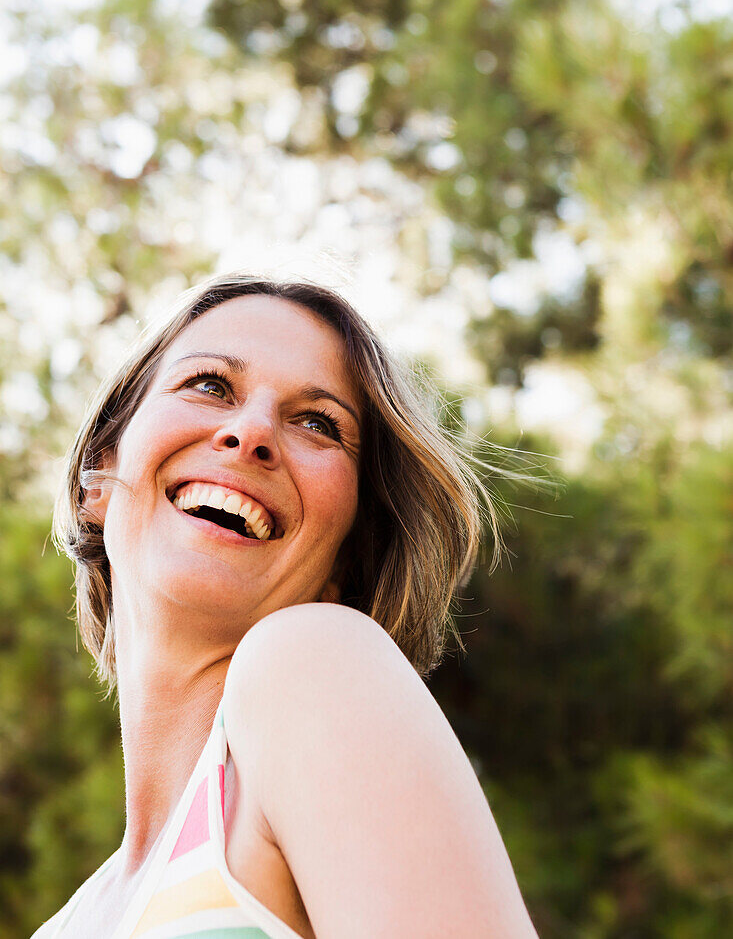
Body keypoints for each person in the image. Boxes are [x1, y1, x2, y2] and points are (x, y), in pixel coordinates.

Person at [32, 272, 539, 939]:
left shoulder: (313, 659)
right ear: (98, 477)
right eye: (210, 385)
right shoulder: (66, 925)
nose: (251, 433)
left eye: (317, 422)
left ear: (348, 559)